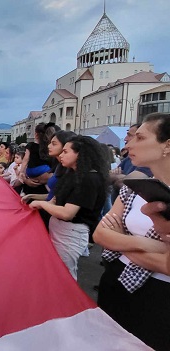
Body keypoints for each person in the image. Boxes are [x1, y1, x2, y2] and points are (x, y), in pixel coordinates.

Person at [93, 113, 170, 350]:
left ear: (167, 145)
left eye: (140, 137)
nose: (128, 144)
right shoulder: (135, 188)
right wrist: (155, 247)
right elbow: (100, 235)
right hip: (116, 283)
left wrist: (121, 243)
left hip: (160, 298)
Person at [29, 135, 109, 280]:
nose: (61, 155)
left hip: (70, 233)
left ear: (80, 154)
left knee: (64, 275)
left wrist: (41, 204)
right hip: (61, 230)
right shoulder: (72, 174)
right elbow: (55, 200)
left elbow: (67, 213)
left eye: (65, 152)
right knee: (56, 272)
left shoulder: (89, 179)